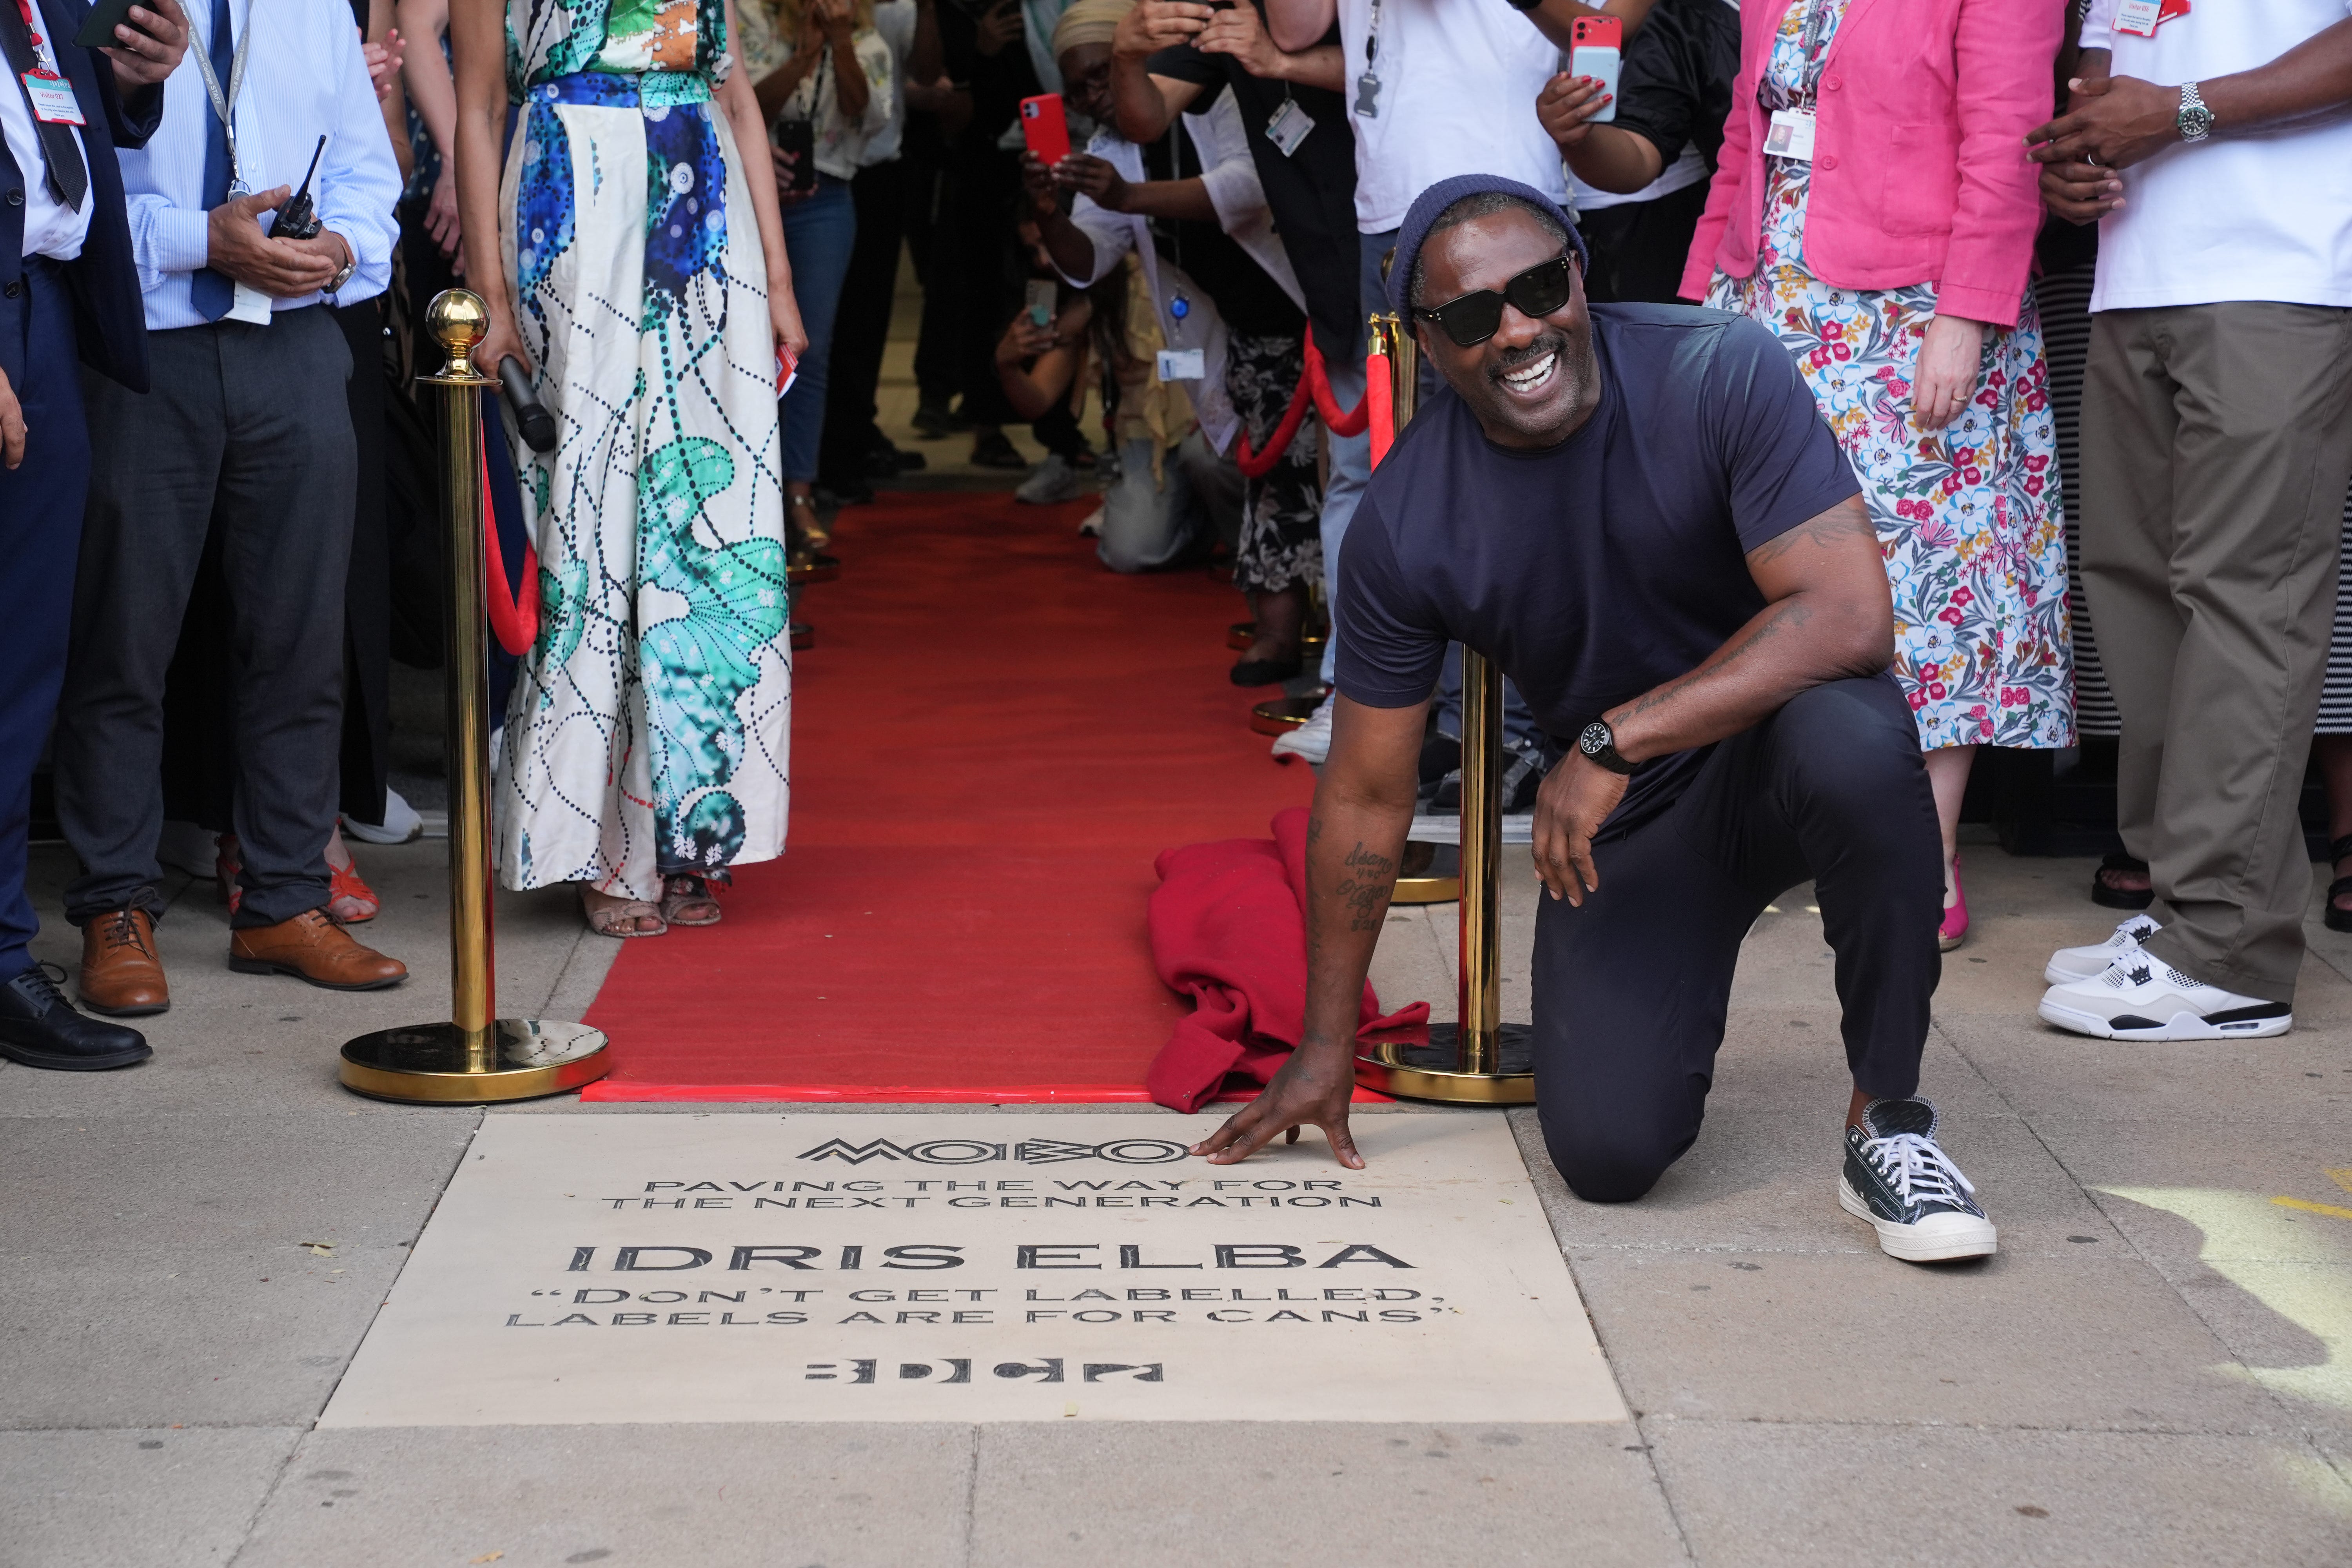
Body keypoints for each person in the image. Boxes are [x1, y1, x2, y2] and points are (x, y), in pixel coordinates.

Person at [1196, 177, 1998, 1267]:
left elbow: (1850, 618)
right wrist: (1325, 1042)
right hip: (1636, 823)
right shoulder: (1405, 522)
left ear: (1581, 274)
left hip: (1773, 745)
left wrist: (1613, 738)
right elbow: (1371, 790)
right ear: (1428, 345)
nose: (1518, 328)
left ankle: (1888, 1122)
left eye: (1538, 287)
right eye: (1473, 316)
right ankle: (1674, 975)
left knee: (1857, 736)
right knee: (1609, 1156)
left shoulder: (1717, 367)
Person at [1683, 0, 2072, 954]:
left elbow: (2005, 144)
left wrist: (1968, 312)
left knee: (1929, 586)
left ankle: (1921, 856)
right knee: (1778, 569)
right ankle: (1796, 831)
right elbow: (1744, 137)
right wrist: (1694, 305)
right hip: (1771, 298)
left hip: (1911, 315)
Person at [54, 0, 408, 1018]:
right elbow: (62, 188)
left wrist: (339, 249)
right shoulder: (104, 8)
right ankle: (114, 904)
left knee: (301, 637)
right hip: (142, 342)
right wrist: (195, 241)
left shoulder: (311, 7)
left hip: (295, 341)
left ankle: (286, 899)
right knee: (125, 637)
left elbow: (366, 175)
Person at [2028, 0, 2352, 1040]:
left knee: (2247, 600)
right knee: (2138, 595)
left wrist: (2183, 112)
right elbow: (2108, 60)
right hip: (2138, 274)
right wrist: (2077, 155)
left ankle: (2231, 953)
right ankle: (2179, 916)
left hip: (2284, 272)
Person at [454, 0, 806, 938]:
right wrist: (489, 291)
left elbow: (732, 90)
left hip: (702, 198)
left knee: (707, 519)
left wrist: (775, 279)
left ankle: (687, 833)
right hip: (571, 195)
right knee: (595, 513)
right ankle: (606, 843)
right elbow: (480, 105)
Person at [1258, 0, 1591, 765]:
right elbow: (1296, 27)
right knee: (1411, 484)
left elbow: (1598, 30)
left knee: (1508, 473)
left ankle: (1512, 729)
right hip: (1385, 207)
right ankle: (1427, 715)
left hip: (1496, 189)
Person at [0, 0, 185, 1070]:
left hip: (45, 311)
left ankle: (2, 957)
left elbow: (51, 125)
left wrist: (128, 83)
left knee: (23, 671)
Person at [1110, 1, 1347, 684]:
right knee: (1345, 482)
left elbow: (1392, 75)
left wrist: (1283, 64)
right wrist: (1127, 57)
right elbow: (1146, 116)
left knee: (1395, 478)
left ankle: (1411, 693)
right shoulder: (1225, 9)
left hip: (1395, 240)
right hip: (1311, 279)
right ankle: (1348, 684)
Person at [1023, 0, 1261, 573]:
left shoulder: (1214, 95)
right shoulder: (1111, 147)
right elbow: (1088, 260)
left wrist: (1128, 198)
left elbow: (1247, 191)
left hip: (1276, 319)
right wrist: (1050, 214)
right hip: (1198, 359)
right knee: (1140, 544)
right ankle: (1249, 559)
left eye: (1101, 75)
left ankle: (1278, 576)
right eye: (1075, 92)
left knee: (1226, 461)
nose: (1090, 100)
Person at [741, 0, 892, 548]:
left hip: (827, 199)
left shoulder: (867, 39)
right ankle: (748, 493)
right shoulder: (747, 23)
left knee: (811, 349)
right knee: (740, 344)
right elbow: (743, 106)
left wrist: (840, 42)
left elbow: (867, 116)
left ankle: (799, 492)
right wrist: (802, 58)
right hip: (748, 193)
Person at [1537, 0, 1736, 305]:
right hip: (1748, 255)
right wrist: (1576, 138)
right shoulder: (1688, 19)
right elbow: (1641, 149)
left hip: (1676, 217)